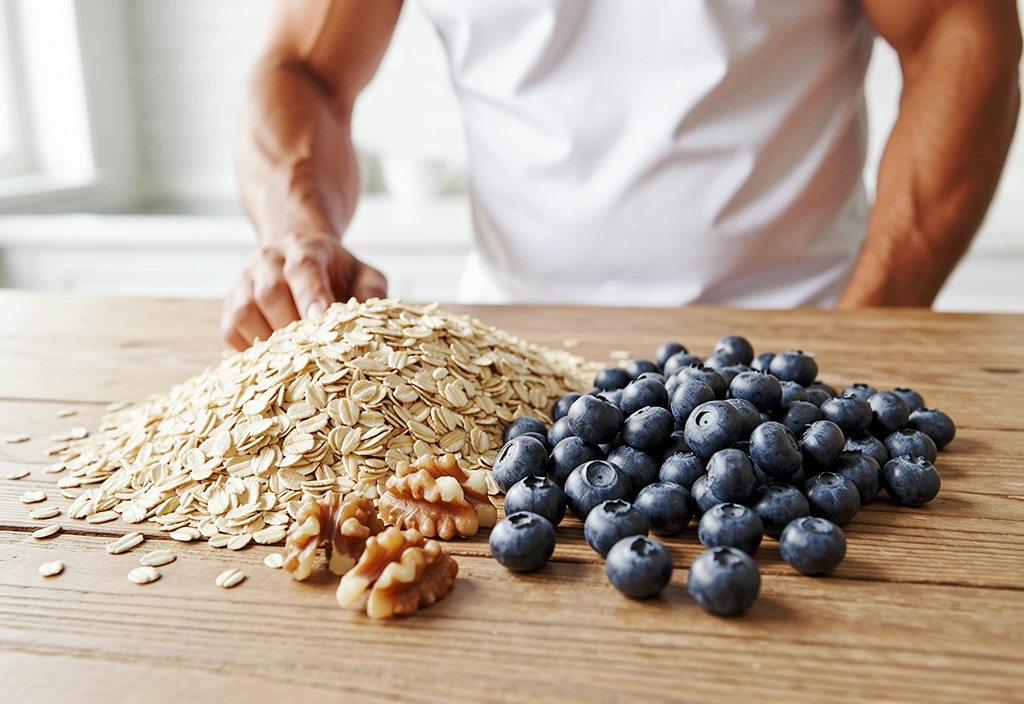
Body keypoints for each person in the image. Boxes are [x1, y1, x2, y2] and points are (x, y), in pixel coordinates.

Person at [223, 0, 1021, 351]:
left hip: (803, 356)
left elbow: (962, 30)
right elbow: (303, 71)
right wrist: (298, 227)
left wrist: (872, 323)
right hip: (508, 364)